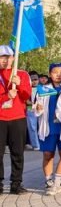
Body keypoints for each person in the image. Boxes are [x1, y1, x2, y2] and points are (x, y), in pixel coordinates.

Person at [0, 46, 33, 194]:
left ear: (13, 58)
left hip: (18, 118)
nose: (6, 60)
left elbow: (27, 97)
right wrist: (7, 96)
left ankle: (16, 183)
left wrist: (19, 84)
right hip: (0, 119)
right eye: (2, 57)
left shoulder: (22, 74)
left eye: (8, 57)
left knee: (18, 153)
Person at [35, 63, 61, 190]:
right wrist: (37, 108)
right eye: (55, 72)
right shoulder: (43, 89)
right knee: (48, 154)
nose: (58, 75)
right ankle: (48, 179)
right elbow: (36, 107)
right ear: (49, 74)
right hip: (48, 128)